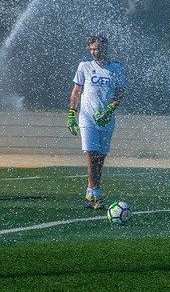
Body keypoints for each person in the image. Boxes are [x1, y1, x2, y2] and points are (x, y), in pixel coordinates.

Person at [67, 34, 126, 210]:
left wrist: (109, 110)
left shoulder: (116, 69)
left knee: (100, 157)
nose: (94, 52)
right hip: (87, 118)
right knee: (92, 155)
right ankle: (96, 193)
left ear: (105, 48)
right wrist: (71, 114)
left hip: (106, 119)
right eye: (91, 49)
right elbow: (76, 91)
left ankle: (89, 193)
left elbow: (120, 93)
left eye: (97, 48)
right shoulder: (84, 67)